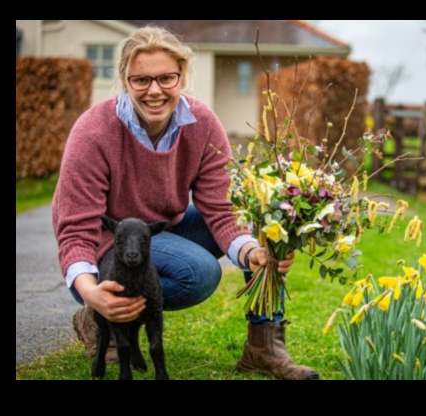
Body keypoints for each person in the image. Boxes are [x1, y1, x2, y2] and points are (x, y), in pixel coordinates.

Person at [52, 26, 318, 380]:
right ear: (124, 79)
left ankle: (263, 348)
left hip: (165, 225)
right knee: (199, 274)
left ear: (183, 76)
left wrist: (252, 251)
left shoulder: (202, 123)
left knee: (263, 230)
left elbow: (223, 209)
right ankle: (101, 315)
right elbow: (76, 230)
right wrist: (91, 292)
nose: (155, 90)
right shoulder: (94, 132)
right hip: (110, 243)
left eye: (166, 78)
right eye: (141, 80)